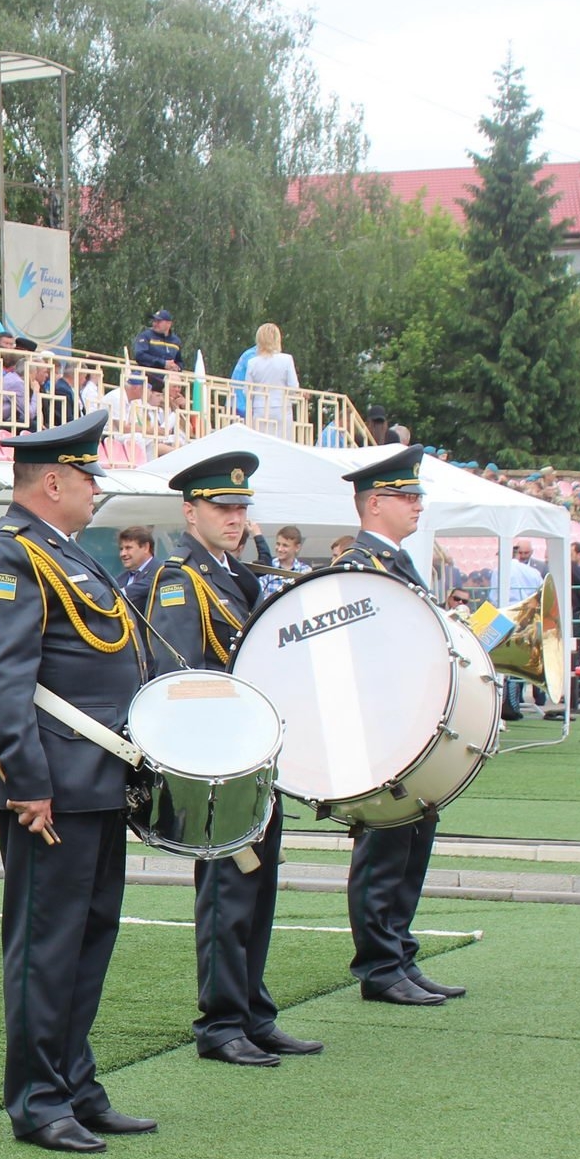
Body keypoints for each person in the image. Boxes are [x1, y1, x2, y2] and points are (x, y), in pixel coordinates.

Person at [0, 407, 152, 1154]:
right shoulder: (12, 554)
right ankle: (39, 1101)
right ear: (52, 482)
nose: (94, 489)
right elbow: (1, 680)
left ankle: (75, 1084)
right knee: (46, 947)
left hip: (97, 779)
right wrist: (27, 782)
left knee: (88, 940)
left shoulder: (68, 552)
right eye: (86, 476)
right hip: (52, 787)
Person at [144, 453, 324, 1066]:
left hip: (253, 754)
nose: (235, 518)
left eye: (242, 508)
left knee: (258, 888)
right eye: (222, 507)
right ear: (190, 511)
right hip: (218, 759)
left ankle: (253, 1013)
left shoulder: (237, 575)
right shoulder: (178, 579)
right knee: (227, 894)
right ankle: (221, 1024)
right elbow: (179, 677)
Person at [332, 447, 465, 1007]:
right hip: (380, 728)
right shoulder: (357, 565)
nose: (417, 505)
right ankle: (379, 965)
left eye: (417, 496)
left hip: (413, 726)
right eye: (406, 496)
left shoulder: (396, 562)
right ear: (375, 504)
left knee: (413, 838)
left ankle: (400, 954)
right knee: (384, 845)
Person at [242, 323, 299, 438]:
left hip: (260, 408)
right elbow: (294, 387)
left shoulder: (252, 363)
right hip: (282, 407)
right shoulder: (287, 359)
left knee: (261, 441)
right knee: (283, 442)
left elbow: (247, 391)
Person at [115, 525, 158, 612]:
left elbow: (155, 582)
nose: (123, 554)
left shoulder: (162, 571)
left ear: (145, 547)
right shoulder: (118, 580)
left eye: (128, 548)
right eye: (121, 549)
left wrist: (123, 592)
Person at [259, 524, 309, 598]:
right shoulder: (267, 567)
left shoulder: (305, 570)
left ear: (297, 548)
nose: (279, 549)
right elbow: (260, 598)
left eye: (285, 545)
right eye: (278, 544)